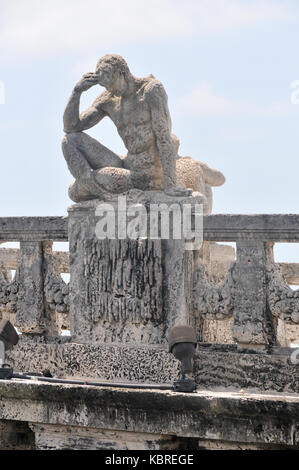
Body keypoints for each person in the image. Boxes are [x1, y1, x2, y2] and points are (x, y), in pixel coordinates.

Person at [62, 54, 190, 202]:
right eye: (105, 86)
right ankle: (101, 191)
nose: (109, 89)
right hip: (127, 166)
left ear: (121, 73)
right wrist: (77, 92)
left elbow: (164, 137)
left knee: (101, 177)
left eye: (111, 83)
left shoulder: (150, 90)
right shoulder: (108, 99)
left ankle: (104, 193)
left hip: (148, 173)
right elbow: (70, 127)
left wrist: (170, 185)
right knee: (70, 145)